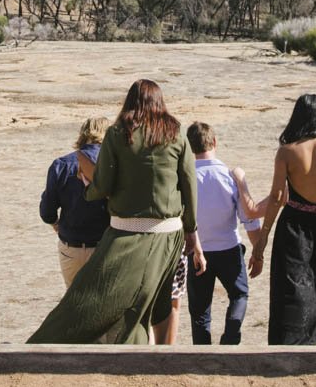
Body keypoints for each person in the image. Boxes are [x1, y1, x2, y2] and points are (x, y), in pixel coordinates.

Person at [29, 80, 205, 344]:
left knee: (102, 301)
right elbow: (189, 183)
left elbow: (103, 186)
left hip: (126, 232)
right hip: (169, 233)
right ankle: (165, 357)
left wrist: (88, 187)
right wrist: (191, 231)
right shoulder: (176, 133)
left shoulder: (118, 133)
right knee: (162, 302)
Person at [249, 94, 316, 346]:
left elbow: (276, 197)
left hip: (294, 227)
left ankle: (288, 346)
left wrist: (262, 241)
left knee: (291, 293)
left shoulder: (286, 152)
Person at [185, 122, 264, 345]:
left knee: (200, 310)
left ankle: (202, 353)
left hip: (198, 250)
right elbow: (248, 220)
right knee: (239, 295)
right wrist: (258, 253)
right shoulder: (228, 175)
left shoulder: (187, 178)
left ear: (191, 146)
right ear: (215, 142)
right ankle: (230, 338)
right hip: (228, 248)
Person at [38, 116, 111, 287]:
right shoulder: (112, 166)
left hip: (72, 247)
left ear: (83, 135)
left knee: (74, 305)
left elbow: (47, 210)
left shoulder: (61, 165)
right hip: (105, 247)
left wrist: (55, 223)